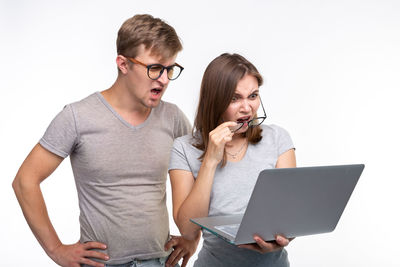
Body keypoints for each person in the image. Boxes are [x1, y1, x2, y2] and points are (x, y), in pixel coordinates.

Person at [12, 14, 199, 267]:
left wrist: (193, 237)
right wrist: (56, 250)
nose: (164, 79)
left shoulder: (174, 118)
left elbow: (202, 182)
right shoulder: (78, 117)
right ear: (123, 64)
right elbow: (25, 181)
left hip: (160, 261)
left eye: (170, 69)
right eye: (155, 68)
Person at [168, 53, 297, 266]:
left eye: (253, 96)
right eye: (235, 98)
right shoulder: (184, 148)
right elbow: (188, 230)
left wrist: (285, 238)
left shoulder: (278, 139)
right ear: (215, 101)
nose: (247, 108)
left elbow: (288, 215)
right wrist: (210, 159)